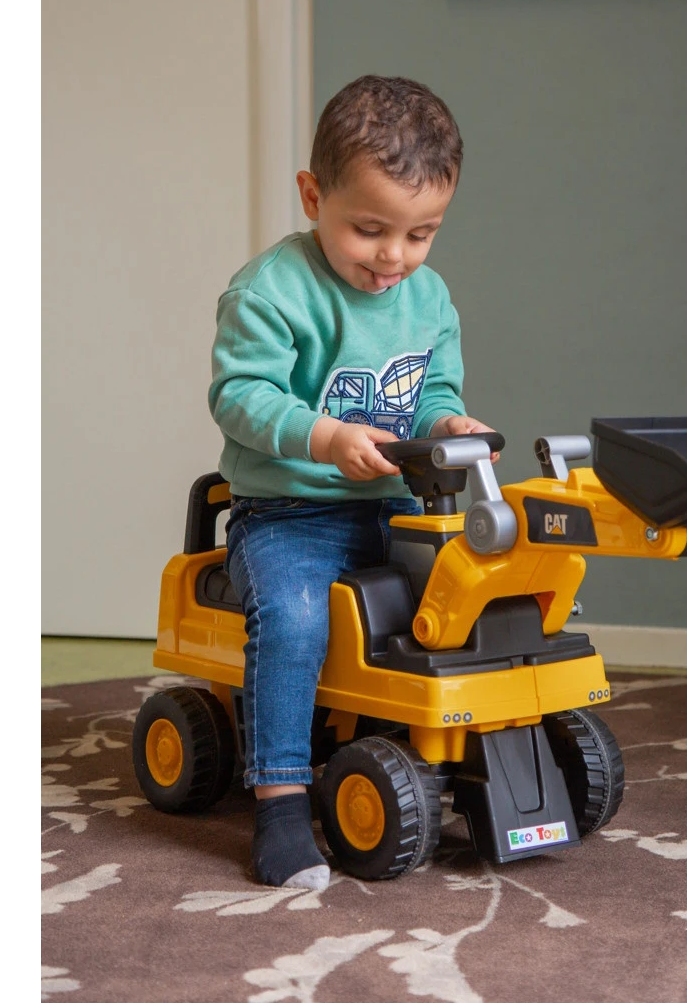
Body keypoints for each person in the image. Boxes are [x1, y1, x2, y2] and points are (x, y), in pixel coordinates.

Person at [208, 74, 496, 889]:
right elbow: (239, 396)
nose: (394, 257)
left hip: (397, 511)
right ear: (313, 196)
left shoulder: (428, 298)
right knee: (295, 620)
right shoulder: (271, 290)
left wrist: (448, 423)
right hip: (288, 515)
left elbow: (431, 391)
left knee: (477, 603)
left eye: (421, 234)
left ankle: (455, 760)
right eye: (369, 230)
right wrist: (325, 436)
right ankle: (281, 801)